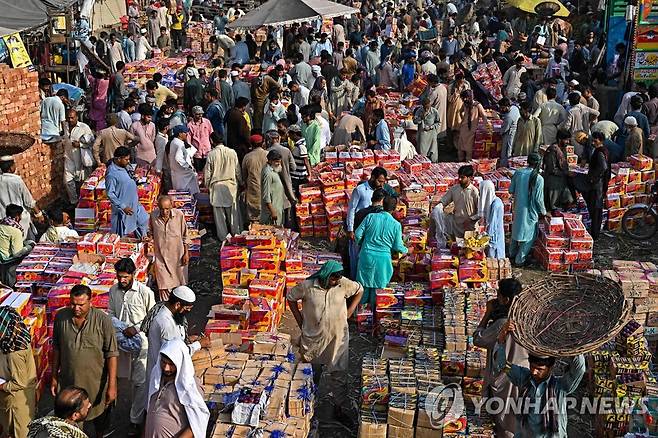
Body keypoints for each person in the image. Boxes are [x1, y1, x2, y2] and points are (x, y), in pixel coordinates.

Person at [287, 261, 362, 424]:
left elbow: (359, 290)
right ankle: (306, 408)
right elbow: (290, 298)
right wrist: (300, 322)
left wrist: (349, 311)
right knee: (311, 374)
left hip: (337, 339)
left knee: (339, 375)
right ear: (326, 275)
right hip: (313, 339)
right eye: (333, 279)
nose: (335, 282)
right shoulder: (308, 286)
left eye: (337, 279)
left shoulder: (342, 285)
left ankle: (338, 408)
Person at [495, 321, 585, 438]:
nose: (534, 372)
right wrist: (502, 339)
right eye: (532, 367)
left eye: (539, 369)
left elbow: (580, 369)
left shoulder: (560, 387)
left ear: (550, 368)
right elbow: (503, 365)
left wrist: (573, 343)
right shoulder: (523, 377)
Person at [51, 285, 119, 438]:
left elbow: (112, 354)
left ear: (91, 301)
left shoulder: (103, 320)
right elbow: (56, 349)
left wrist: (112, 385)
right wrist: (54, 376)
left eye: (81, 304)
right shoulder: (61, 318)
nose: (76, 308)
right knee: (71, 424)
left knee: (99, 419)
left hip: (96, 384)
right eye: (73, 304)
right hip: (70, 383)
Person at [473, 278, 527, 438]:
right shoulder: (527, 320)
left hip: (505, 377)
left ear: (506, 300)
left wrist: (487, 313)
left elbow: (478, 339)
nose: (496, 298)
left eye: (498, 295)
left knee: (503, 421)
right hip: (523, 373)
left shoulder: (503, 323)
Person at [108, 258, 156, 434]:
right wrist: (120, 329)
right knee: (116, 379)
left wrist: (135, 329)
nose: (122, 280)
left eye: (125, 277)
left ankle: (135, 419)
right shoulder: (113, 291)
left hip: (140, 344)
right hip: (119, 343)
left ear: (134, 275)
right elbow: (111, 314)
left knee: (140, 382)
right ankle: (110, 415)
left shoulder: (145, 292)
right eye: (119, 277)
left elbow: (152, 318)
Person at [144, 286, 210, 388]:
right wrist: (199, 344)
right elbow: (174, 355)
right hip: (163, 377)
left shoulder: (172, 315)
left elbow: (177, 340)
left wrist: (188, 340)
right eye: (186, 309)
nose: (187, 312)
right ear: (177, 305)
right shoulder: (165, 323)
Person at [144, 338, 209, 438]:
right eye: (163, 362)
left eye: (171, 364)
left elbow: (197, 422)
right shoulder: (157, 377)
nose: (166, 368)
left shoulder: (189, 386)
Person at [355, 196, 408, 308]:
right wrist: (407, 250)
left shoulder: (370, 217)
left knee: (363, 286)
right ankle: (375, 316)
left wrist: (361, 244)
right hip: (383, 260)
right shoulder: (396, 225)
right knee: (378, 289)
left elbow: (357, 234)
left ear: (382, 204)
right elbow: (398, 246)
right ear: (394, 209)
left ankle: (361, 315)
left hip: (366, 255)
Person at [0, 306, 37, 438]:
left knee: (19, 432)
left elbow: (20, 383)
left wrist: (2, 386)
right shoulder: (17, 337)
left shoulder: (14, 353)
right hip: (19, 398)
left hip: (16, 402)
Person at [148, 195, 190, 301]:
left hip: (178, 256)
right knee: (163, 285)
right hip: (161, 257)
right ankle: (166, 309)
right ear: (158, 207)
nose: (164, 212)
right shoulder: (153, 216)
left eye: (167, 209)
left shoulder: (179, 215)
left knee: (180, 285)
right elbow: (151, 232)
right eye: (162, 209)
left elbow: (185, 236)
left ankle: (178, 309)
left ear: (171, 206)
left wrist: (186, 253)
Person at [509, 153, 547, 266]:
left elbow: (511, 190)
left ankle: (511, 253)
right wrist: (544, 212)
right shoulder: (539, 179)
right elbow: (539, 199)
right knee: (529, 236)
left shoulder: (519, 172)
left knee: (516, 230)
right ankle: (519, 260)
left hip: (518, 208)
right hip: (531, 210)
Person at [204, 133, 242, 241]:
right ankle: (237, 235)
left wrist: (207, 185)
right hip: (231, 186)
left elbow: (208, 173)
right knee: (233, 214)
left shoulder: (211, 154)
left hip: (217, 186)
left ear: (212, 141)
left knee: (219, 216)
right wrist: (241, 182)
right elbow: (237, 170)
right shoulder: (232, 152)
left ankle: (223, 238)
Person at [105, 147, 149, 238]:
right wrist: (123, 207)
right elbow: (110, 193)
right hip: (124, 208)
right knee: (121, 233)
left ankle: (143, 240)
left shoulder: (125, 166)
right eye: (126, 159)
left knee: (143, 220)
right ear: (118, 159)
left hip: (135, 203)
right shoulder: (112, 174)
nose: (128, 161)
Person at [575, 134, 610, 240]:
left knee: (595, 209)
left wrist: (593, 178)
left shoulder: (600, 152)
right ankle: (595, 232)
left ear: (600, 141)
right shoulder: (603, 151)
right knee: (595, 209)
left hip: (596, 185)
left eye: (595, 141)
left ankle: (595, 234)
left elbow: (603, 167)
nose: (593, 143)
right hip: (598, 184)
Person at [434, 165, 480, 239]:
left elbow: (480, 212)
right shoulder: (455, 189)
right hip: (456, 226)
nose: (460, 179)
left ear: (470, 178)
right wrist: (438, 207)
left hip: (470, 228)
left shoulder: (474, 192)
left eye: (462, 177)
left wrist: (471, 219)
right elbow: (444, 201)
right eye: (459, 177)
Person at [0, 204, 36, 284]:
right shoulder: (15, 231)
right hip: (7, 261)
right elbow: (17, 253)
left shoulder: (2, 224)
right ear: (17, 217)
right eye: (20, 216)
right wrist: (30, 246)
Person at [543, 129, 574, 212]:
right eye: (566, 140)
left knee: (568, 200)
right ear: (560, 139)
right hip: (553, 182)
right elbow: (551, 169)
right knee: (553, 206)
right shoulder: (552, 150)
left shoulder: (563, 149)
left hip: (562, 180)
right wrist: (566, 173)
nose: (567, 142)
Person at [241, 135, 269, 224]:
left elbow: (244, 175)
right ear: (263, 143)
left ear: (251, 144)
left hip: (254, 191)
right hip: (267, 189)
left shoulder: (247, 157)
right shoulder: (268, 154)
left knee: (254, 218)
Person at [169, 125, 200, 197]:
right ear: (180, 134)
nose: (187, 134)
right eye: (185, 133)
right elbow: (178, 158)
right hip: (182, 173)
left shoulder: (174, 142)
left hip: (177, 172)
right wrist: (188, 166)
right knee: (185, 193)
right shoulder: (179, 144)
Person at [457, 90, 487, 161]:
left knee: (469, 149)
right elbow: (460, 112)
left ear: (469, 97)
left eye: (464, 98)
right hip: (464, 128)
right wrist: (463, 119)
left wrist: (485, 126)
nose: (464, 100)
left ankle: (467, 162)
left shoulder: (477, 105)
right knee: (460, 148)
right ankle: (459, 162)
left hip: (471, 130)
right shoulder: (465, 104)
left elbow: (484, 116)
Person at [478, 180, 505, 259]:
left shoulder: (495, 205)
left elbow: (493, 225)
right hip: (493, 233)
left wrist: (484, 237)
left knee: (494, 258)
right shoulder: (493, 201)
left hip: (494, 234)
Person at [260, 149, 285, 226]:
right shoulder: (268, 173)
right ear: (270, 161)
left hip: (278, 207)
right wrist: (272, 211)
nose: (279, 164)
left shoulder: (273, 170)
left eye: (279, 161)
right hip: (272, 212)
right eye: (277, 162)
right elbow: (266, 195)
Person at [413, 97, 441, 162]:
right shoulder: (419, 111)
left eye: (427, 107)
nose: (426, 109)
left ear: (430, 105)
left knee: (433, 151)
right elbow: (414, 121)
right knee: (422, 152)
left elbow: (438, 123)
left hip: (432, 135)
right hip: (422, 135)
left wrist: (431, 127)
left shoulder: (434, 112)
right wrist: (421, 118)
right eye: (424, 107)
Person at [186, 106, 213, 171]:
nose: (200, 115)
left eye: (201, 114)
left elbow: (211, 134)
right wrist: (190, 154)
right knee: (198, 172)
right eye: (198, 114)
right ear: (193, 114)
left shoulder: (207, 122)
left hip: (207, 151)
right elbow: (188, 140)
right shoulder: (190, 125)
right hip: (196, 153)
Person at [225, 97, 251, 161]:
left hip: (230, 143)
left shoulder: (230, 112)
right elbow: (244, 133)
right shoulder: (240, 117)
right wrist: (249, 144)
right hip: (239, 146)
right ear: (243, 106)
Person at [288, 125, 312, 198]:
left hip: (298, 177)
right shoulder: (298, 145)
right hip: (296, 176)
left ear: (294, 134)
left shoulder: (301, 146)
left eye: (290, 134)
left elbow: (306, 161)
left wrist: (309, 175)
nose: (289, 136)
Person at [499, 98, 520, 168]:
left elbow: (505, 129)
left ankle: (504, 166)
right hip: (515, 131)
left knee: (506, 151)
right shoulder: (514, 108)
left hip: (509, 133)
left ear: (507, 106)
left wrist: (500, 133)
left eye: (503, 108)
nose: (502, 109)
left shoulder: (509, 117)